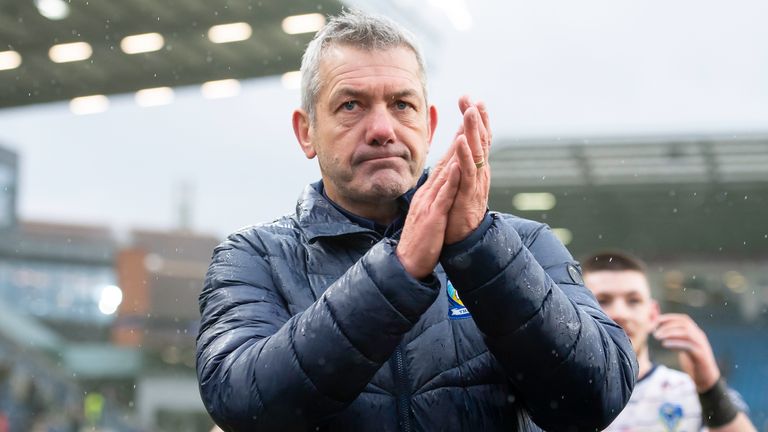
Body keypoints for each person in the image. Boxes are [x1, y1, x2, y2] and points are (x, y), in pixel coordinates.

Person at [196, 10, 637, 432]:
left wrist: (479, 248)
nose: (382, 128)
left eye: (401, 104)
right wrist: (398, 269)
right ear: (306, 131)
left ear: (428, 124)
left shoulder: (522, 244)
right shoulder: (254, 257)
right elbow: (243, 405)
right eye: (351, 105)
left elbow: (596, 399)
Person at [582, 251, 756, 432]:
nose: (621, 314)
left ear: (652, 314)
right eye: (602, 300)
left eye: (634, 301)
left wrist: (709, 386)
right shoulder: (559, 396)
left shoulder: (689, 393)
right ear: (579, 311)